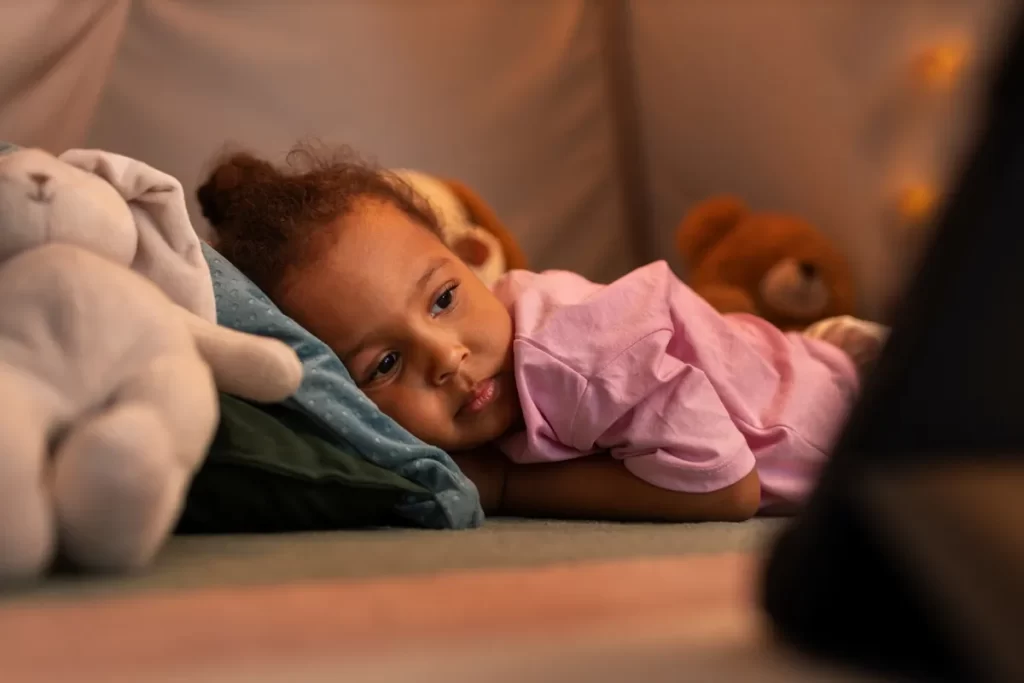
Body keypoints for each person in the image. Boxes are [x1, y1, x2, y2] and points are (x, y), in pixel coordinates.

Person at [196, 143, 888, 523]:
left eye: (443, 299)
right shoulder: (499, 370)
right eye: (383, 365)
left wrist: (505, 487)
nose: (446, 356)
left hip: (861, 409)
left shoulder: (576, 354)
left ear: (473, 260)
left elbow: (726, 487)